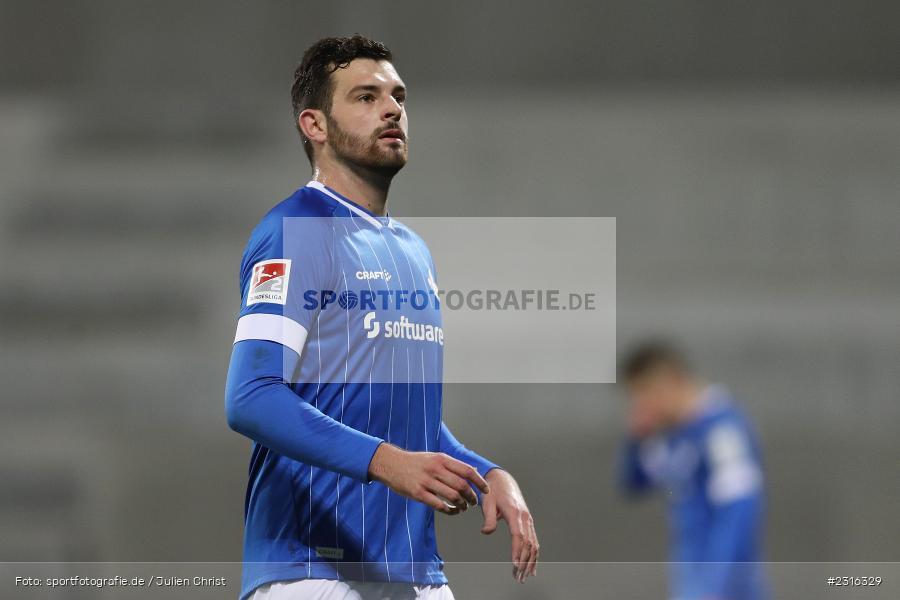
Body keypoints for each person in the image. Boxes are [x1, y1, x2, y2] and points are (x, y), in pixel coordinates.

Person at [224, 35, 538, 600]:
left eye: (398, 96)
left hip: (412, 572)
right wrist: (384, 462)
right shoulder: (295, 230)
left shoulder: (412, 251)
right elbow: (251, 395)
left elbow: (400, 417)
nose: (392, 109)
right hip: (313, 569)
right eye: (366, 97)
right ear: (315, 125)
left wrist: (487, 472)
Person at [617, 341, 769, 600]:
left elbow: (740, 510)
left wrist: (715, 588)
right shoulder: (674, 437)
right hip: (691, 581)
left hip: (725, 589)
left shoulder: (722, 431)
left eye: (644, 394)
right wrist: (636, 439)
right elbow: (633, 482)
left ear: (670, 381)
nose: (641, 406)